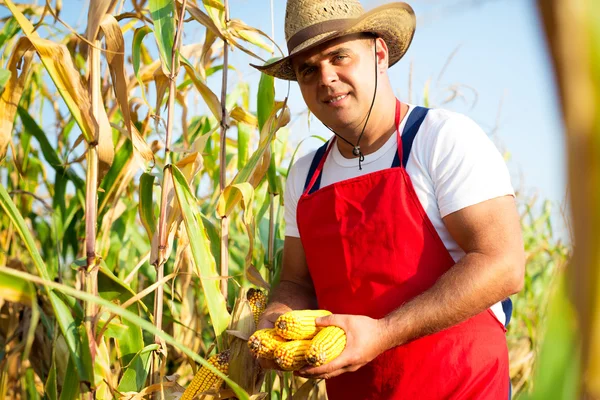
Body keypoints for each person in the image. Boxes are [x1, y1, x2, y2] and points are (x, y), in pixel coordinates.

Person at [251, 0, 525, 398]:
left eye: (339, 56)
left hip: (462, 387)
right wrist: (276, 318)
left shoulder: (441, 139)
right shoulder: (306, 176)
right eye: (308, 69)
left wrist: (382, 333)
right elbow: (295, 280)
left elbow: (503, 264)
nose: (326, 78)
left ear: (379, 54)